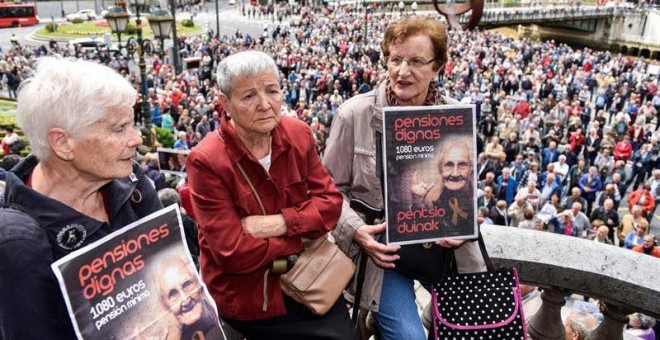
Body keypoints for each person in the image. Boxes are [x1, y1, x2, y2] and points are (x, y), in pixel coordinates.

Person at [322, 17, 487, 340]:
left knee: (476, 329)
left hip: (444, 251)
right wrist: (357, 232)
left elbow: (464, 185)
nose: (402, 71)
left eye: (415, 61)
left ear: (437, 66)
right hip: (385, 257)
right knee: (409, 336)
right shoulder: (353, 115)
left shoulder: (455, 116)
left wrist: (462, 224)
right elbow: (327, 191)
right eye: (395, 59)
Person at [186, 51, 355, 340]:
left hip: (312, 277)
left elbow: (331, 205)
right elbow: (232, 253)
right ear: (225, 104)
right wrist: (303, 232)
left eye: (272, 91)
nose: (265, 105)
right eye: (249, 96)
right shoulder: (206, 160)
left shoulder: (298, 133)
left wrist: (279, 223)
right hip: (252, 298)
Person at [0, 57, 162, 338]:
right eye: (119, 128)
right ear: (62, 143)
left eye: (131, 124)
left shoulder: (131, 183)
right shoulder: (17, 243)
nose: (137, 139)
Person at [153, 255, 225, 340]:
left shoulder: (222, 308)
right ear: (165, 303)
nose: (185, 300)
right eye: (173, 293)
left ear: (197, 282)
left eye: (187, 284)